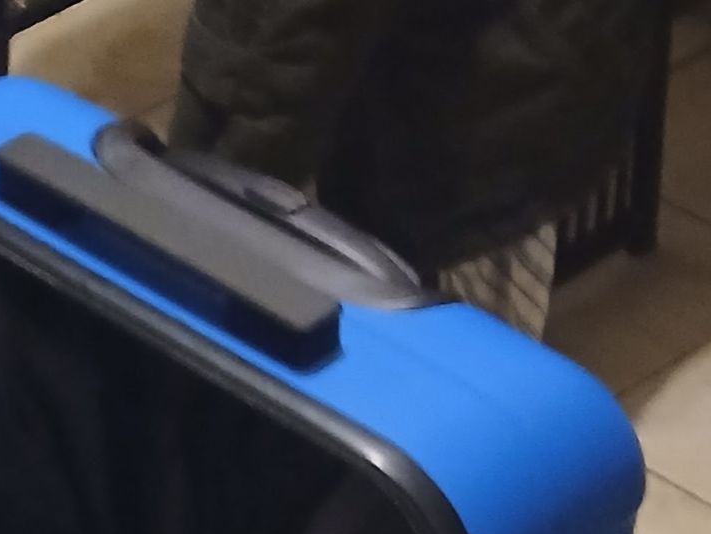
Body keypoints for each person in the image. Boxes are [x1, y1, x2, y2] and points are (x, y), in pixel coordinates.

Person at [167, 0, 662, 334]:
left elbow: (277, 41)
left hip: (457, 128)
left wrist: (192, 214)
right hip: (537, 64)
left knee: (441, 418)